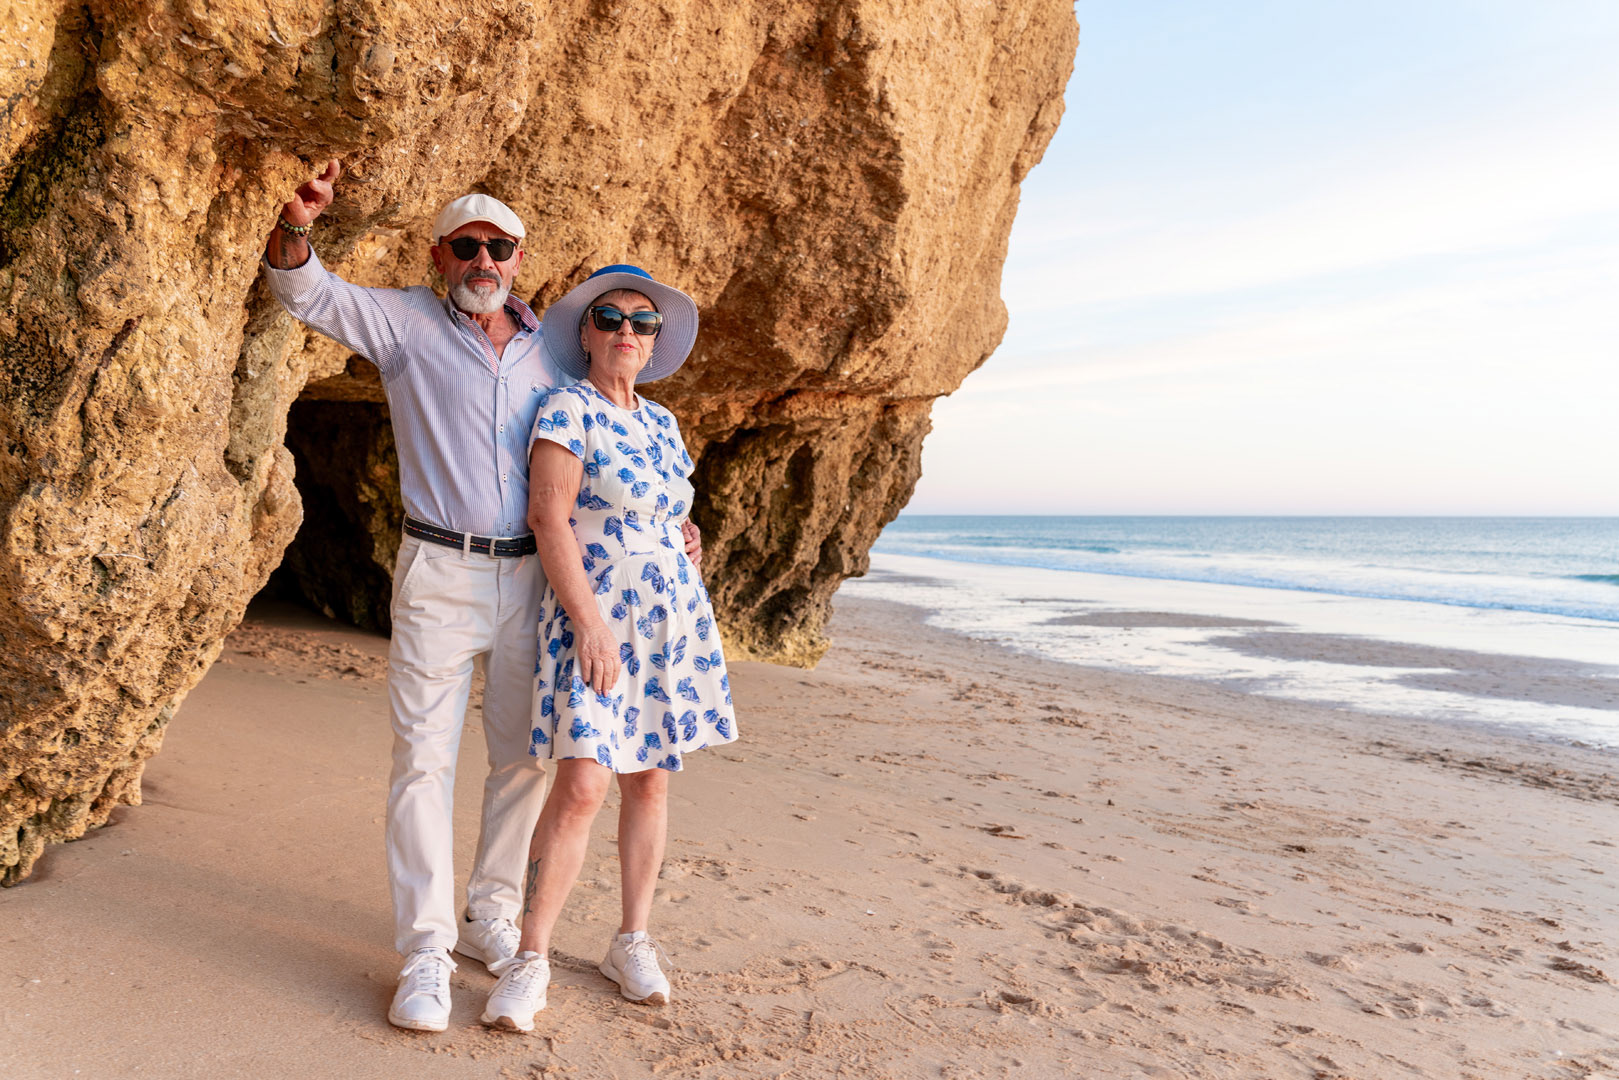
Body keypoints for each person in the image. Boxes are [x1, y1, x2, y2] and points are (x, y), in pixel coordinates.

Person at [261, 164, 701, 1032]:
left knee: (523, 757)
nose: (482, 260)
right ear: (440, 256)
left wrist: (678, 529)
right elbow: (304, 291)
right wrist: (298, 226)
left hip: (537, 576)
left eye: (498, 247)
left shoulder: (557, 350)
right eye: (466, 247)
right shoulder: (403, 322)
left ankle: (491, 913)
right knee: (422, 759)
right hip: (438, 569)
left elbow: (623, 434)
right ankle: (424, 950)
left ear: (518, 258)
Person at [478, 266, 738, 1032]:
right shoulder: (566, 409)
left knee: (650, 784)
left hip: (667, 623)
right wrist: (587, 622)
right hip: (594, 620)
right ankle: (530, 959)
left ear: (654, 343)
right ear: (586, 334)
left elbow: (667, 512)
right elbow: (549, 518)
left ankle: (632, 940)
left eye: (643, 322)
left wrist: (688, 539)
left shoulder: (662, 423)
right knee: (583, 785)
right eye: (611, 317)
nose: (628, 331)